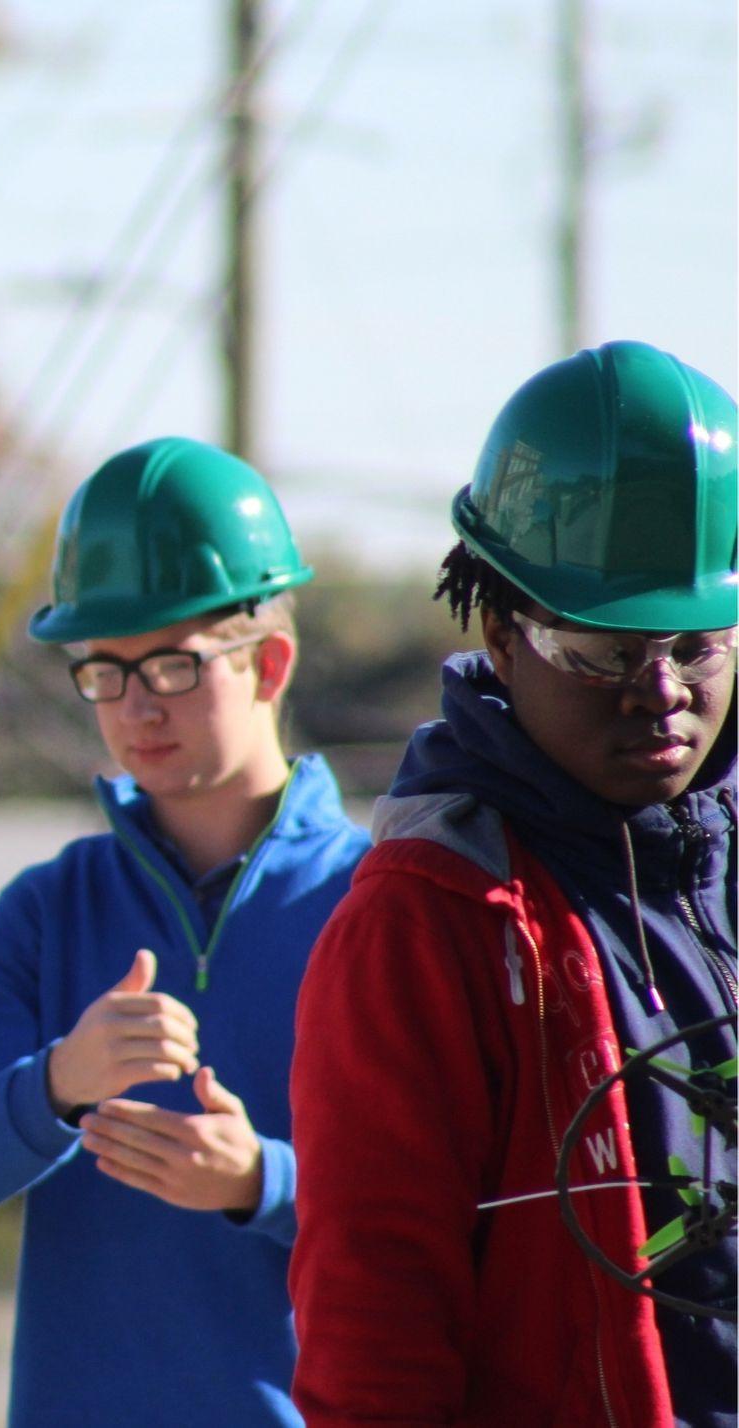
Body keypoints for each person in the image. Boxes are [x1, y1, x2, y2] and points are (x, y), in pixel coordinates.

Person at [289, 340, 737, 1427]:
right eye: (602, 651)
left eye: (696, 644)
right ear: (500, 633)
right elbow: (372, 1332)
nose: (660, 693)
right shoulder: (426, 923)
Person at [0, 436, 370, 1425]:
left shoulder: (379, 905)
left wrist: (260, 1181)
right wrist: (58, 1084)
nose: (133, 707)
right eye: (102, 672)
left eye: (168, 664)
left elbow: (469, 1213)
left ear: (267, 663)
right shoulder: (46, 909)